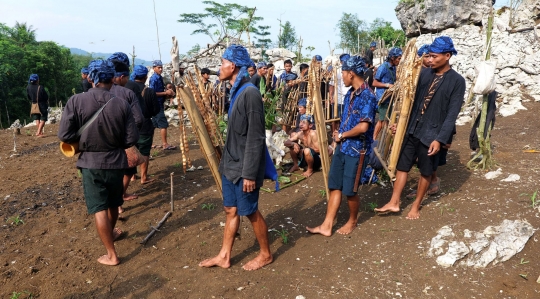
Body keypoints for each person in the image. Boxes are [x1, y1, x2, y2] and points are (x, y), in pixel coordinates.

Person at [375, 36, 466, 220]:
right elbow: (411, 103)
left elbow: (451, 114)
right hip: (412, 128)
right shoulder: (424, 74)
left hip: (432, 133)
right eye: (429, 56)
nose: (430, 60)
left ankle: (416, 206)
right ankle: (394, 202)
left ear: (447, 56)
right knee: (403, 166)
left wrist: (440, 139)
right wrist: (400, 124)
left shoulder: (457, 81)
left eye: (434, 56)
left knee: (426, 170)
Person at [58, 60, 139, 265]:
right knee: (113, 204)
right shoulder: (122, 103)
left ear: (92, 79)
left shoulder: (75, 101)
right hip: (116, 162)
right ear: (112, 78)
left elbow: (64, 135)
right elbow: (131, 139)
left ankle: (111, 255)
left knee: (99, 208)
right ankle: (111, 234)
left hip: (91, 164)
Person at [199, 44, 272, 271]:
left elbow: (256, 137)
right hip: (231, 164)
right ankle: (224, 255)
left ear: (233, 66)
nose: (219, 68)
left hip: (244, 167)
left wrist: (249, 173)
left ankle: (266, 254)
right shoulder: (237, 90)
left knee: (249, 211)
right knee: (230, 210)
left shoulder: (249, 94)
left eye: (222, 63)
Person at [307, 56, 377, 236]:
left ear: (351, 74)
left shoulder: (368, 96)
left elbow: (363, 127)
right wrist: (336, 139)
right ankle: (327, 225)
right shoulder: (350, 94)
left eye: (344, 73)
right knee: (335, 185)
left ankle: (352, 221)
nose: (342, 77)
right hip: (342, 147)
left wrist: (342, 135)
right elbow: (346, 122)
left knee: (350, 190)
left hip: (356, 150)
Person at [107, 52, 144, 203]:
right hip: (124, 140)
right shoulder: (127, 92)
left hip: (103, 143)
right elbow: (139, 119)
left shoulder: (93, 93)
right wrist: (130, 137)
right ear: (121, 76)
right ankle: (119, 198)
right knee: (128, 170)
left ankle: (115, 202)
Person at [125, 65, 161, 185]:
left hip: (129, 125)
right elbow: (156, 110)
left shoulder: (126, 88)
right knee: (145, 151)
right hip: (145, 124)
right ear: (145, 77)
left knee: (132, 148)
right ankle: (143, 177)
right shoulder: (149, 91)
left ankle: (132, 175)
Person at [373, 47, 402, 139]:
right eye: (399, 58)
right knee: (382, 121)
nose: (399, 61)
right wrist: (387, 85)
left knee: (385, 120)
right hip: (383, 98)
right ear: (392, 58)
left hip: (389, 98)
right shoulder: (383, 68)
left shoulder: (393, 68)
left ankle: (383, 140)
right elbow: (374, 83)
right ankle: (374, 139)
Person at [149, 60, 176, 150]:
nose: (160, 69)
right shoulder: (154, 78)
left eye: (161, 67)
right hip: (156, 104)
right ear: (154, 68)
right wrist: (165, 93)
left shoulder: (159, 77)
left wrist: (167, 88)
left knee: (153, 125)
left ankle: (150, 143)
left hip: (158, 103)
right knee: (163, 124)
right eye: (158, 67)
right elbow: (153, 93)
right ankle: (165, 144)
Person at [328, 54, 352, 121]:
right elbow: (331, 85)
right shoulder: (337, 71)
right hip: (339, 99)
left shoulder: (352, 70)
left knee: (347, 119)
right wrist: (331, 97)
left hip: (350, 98)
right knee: (336, 118)